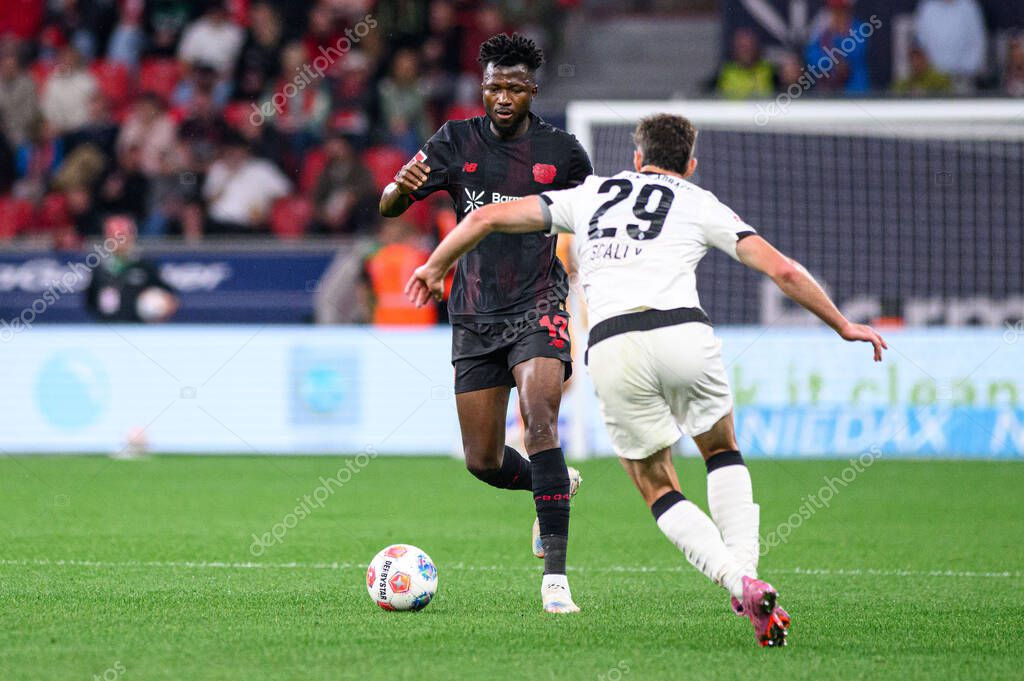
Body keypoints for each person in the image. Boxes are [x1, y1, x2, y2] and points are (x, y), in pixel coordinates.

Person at [406, 113, 887, 642]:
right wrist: (842, 324)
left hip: (614, 345)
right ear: (690, 165)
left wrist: (434, 266)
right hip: (684, 334)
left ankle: (737, 581)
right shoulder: (699, 201)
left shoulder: (590, 194)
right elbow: (785, 270)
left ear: (637, 159)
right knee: (721, 450)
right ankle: (746, 574)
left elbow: (484, 219)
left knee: (657, 483)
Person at [379, 33, 593, 614]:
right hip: (474, 312)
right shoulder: (455, 140)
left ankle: (555, 581)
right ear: (483, 86)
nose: (502, 97)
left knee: (540, 421)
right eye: (494, 86)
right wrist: (398, 189)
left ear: (532, 91)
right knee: (483, 460)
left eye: (514, 88)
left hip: (537, 303)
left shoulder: (564, 153)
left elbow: (590, 221)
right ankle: (554, 482)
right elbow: (390, 206)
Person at [85, 216, 178, 323]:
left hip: (138, 328)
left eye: (122, 235)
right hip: (107, 327)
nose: (118, 241)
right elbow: (90, 303)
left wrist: (163, 307)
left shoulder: (144, 265)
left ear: (132, 236)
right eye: (113, 235)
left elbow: (170, 298)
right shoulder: (99, 268)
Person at [715, 28, 774, 99]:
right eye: (742, 47)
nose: (746, 52)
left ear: (756, 47)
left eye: (749, 47)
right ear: (735, 49)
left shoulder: (770, 70)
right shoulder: (724, 72)